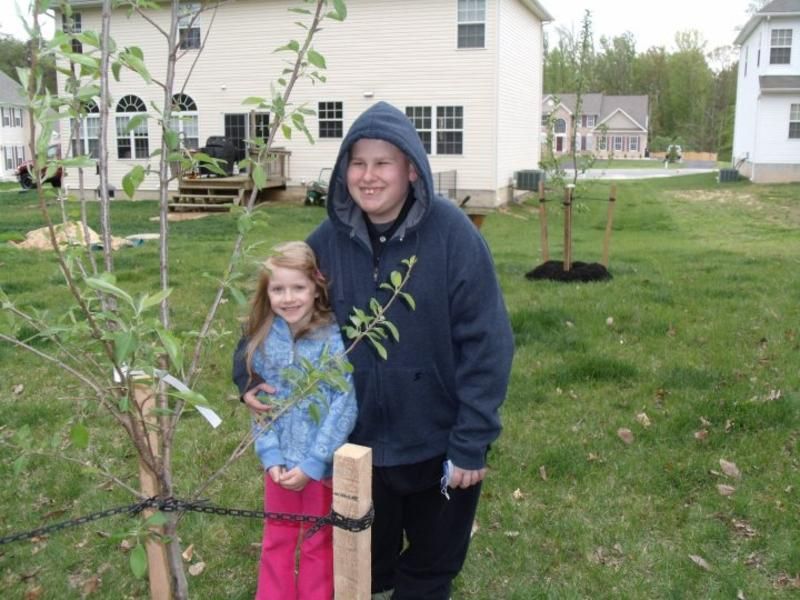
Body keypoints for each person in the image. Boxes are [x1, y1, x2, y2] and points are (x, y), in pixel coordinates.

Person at [235, 101, 514, 599]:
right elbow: (273, 307)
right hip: (356, 446)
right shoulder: (329, 241)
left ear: (412, 169)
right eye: (357, 163)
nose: (368, 176)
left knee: (429, 572)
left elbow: (488, 342)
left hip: (439, 442)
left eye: (383, 162)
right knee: (363, 568)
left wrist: (472, 439)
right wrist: (249, 376)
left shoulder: (453, 236)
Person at [237, 240, 357, 600]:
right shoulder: (264, 337)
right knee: (278, 536)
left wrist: (314, 462)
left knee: (318, 539)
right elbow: (261, 402)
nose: (288, 298)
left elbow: (344, 404)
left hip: (320, 466)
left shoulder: (334, 339)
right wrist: (270, 455)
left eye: (298, 288)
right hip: (279, 465)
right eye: (278, 289)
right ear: (267, 292)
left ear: (316, 288)